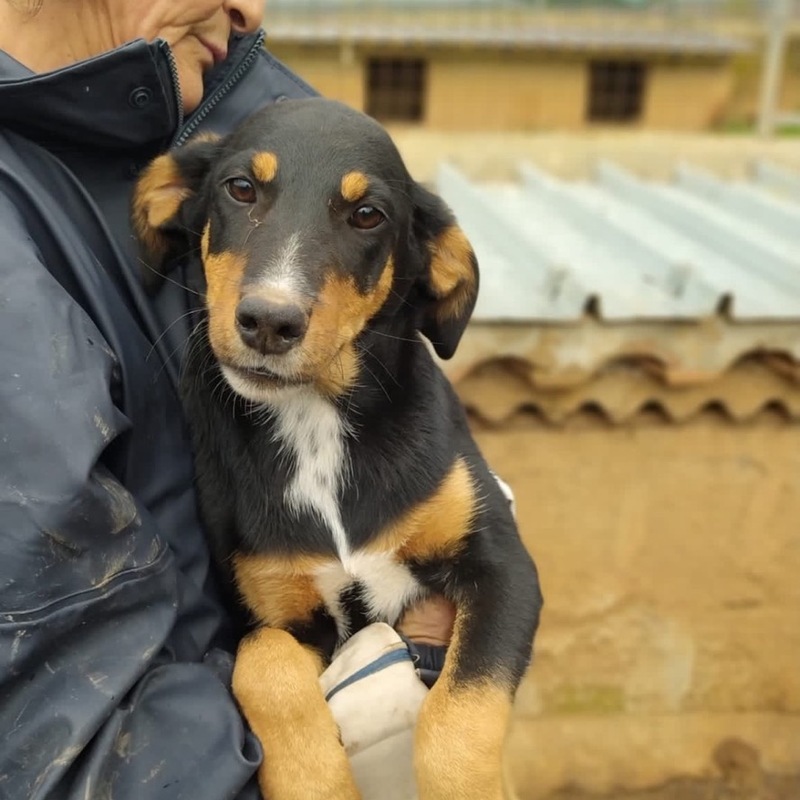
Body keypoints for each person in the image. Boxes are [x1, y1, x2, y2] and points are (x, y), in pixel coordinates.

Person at [0, 1, 456, 797]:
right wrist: (356, 719)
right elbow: (63, 738)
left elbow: (395, 387)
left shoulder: (236, 99)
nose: (251, 5)